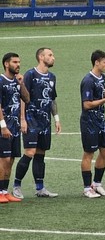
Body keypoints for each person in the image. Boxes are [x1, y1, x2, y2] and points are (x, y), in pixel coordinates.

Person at [12, 48, 61, 199]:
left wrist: (56, 118)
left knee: (41, 154)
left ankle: (40, 188)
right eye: (50, 55)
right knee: (30, 152)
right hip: (31, 119)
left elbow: (52, 99)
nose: (53, 58)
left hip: (45, 121)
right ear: (41, 57)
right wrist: (22, 119)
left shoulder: (52, 77)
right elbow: (22, 96)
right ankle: (16, 185)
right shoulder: (30, 74)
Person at [80, 50, 105, 198]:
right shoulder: (88, 80)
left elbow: (103, 93)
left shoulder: (102, 78)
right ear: (96, 62)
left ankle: (97, 184)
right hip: (89, 121)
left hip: (101, 120)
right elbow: (87, 105)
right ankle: (86, 188)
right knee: (89, 153)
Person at [0, 53, 29, 204]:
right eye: (15, 62)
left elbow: (27, 99)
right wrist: (3, 126)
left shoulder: (16, 81)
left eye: (19, 62)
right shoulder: (1, 81)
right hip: (4, 128)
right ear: (6, 64)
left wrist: (21, 83)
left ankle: (5, 191)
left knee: (10, 160)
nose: (18, 64)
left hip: (15, 127)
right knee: (3, 159)